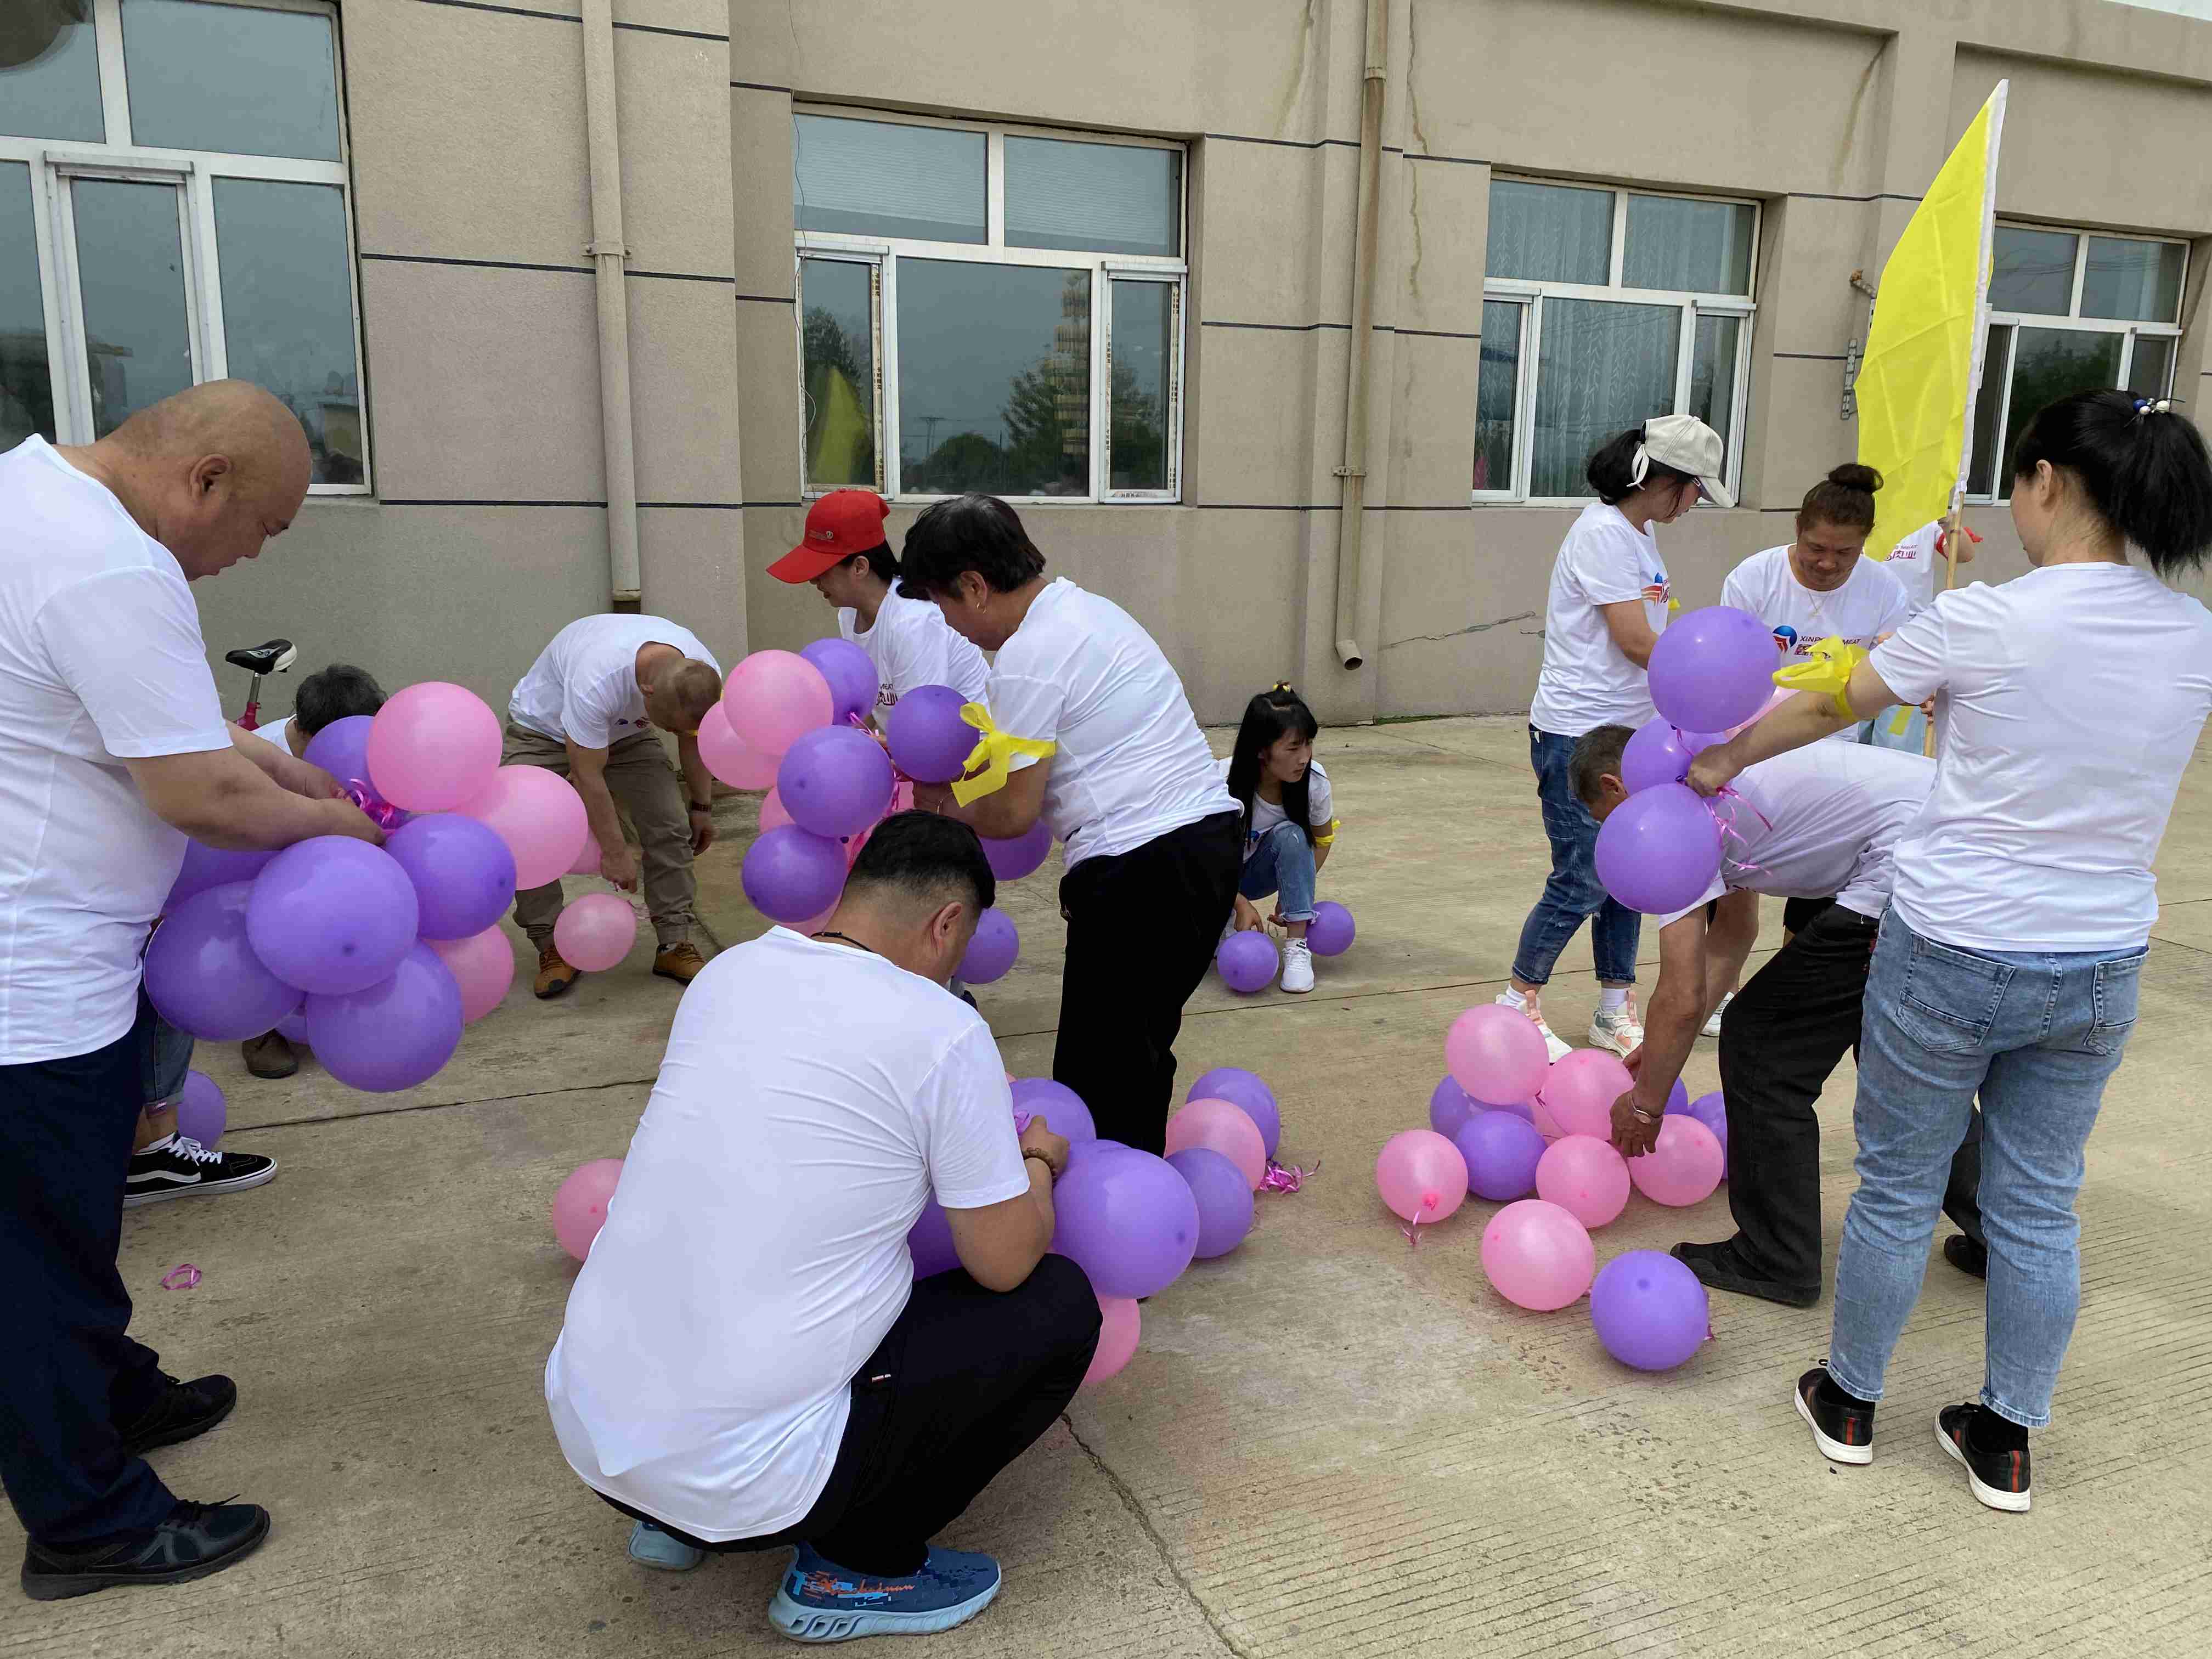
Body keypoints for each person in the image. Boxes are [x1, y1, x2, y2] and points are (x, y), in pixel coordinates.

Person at [1689, 390, 2212, 1514]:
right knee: (2037, 1208)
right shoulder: (2192, 632)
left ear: (2046, 483)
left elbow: (1831, 702)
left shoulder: (1985, 618)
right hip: (2100, 962)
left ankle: (1850, 1403)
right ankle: (2005, 1439)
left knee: (1895, 1188)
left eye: (2017, 481)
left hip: (1953, 948)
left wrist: (1725, 759)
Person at [1, 380, 383, 1600]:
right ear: (206, 479)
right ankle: (88, 1521)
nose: (250, 554)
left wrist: (276, 763)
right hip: (30, 980)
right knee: (35, 1255)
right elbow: (198, 794)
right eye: (262, 527)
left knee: (69, 1222)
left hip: (56, 957)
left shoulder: (28, 496)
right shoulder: (113, 562)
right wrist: (341, 833)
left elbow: (155, 720)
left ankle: (109, 1392)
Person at [545, 812, 1098, 1643]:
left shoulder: (730, 974)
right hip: (747, 1488)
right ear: (947, 923)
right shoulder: (943, 1030)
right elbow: (1005, 1263)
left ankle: (669, 1521)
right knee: (1059, 1305)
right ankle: (856, 1567)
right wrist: (1039, 1162)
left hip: (595, 1439)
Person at [1572, 725, 1982, 1306]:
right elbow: (1733, 935)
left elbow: (1681, 994)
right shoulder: (1708, 776)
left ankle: (1777, 1257)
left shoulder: (1665, 824)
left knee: (1761, 1047)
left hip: (1907, 871)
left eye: (1604, 820)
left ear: (1616, 785)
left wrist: (1645, 1104)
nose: (1614, 837)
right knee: (1899, 1059)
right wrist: (1666, 1048)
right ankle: (2001, 1234)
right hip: (1963, 841)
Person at [896, 495, 1240, 1155]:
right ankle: (1140, 1185)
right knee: (1139, 1050)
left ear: (975, 586)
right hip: (1204, 847)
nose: (950, 625)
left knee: (1098, 1077)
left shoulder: (1031, 655)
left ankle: (1114, 1204)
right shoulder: (1089, 612)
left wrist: (939, 803)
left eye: (943, 604)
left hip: (1143, 866)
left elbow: (1014, 811)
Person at [1503, 414, 1730, 1063]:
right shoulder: (1603, 534)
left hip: (1631, 734)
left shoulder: (1638, 533)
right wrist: (1704, 678)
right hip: (1579, 734)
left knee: (1633, 873)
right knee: (1582, 877)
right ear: (1664, 479)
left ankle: (1612, 1007)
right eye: (1696, 489)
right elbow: (1634, 640)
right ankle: (1517, 1001)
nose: (1696, 504)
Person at [505, 616, 724, 997]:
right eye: (669, 727)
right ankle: (552, 946)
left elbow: (694, 738)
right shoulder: (597, 679)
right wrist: (615, 852)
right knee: (526, 832)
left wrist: (702, 808)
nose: (675, 734)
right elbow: (587, 775)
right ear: (647, 691)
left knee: (671, 824)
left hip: (625, 733)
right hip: (544, 729)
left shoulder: (701, 675)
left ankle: (674, 943)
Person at [233, 662, 389, 1078]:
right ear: (302, 730)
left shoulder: (377, 746)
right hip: (271, 870)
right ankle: (261, 1027)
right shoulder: (257, 759)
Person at [768, 488, 990, 714]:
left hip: (969, 735)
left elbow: (922, 723)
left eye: (821, 570)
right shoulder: (849, 614)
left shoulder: (912, 622)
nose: (813, 580)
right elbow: (869, 708)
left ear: (860, 567)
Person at [1219, 685, 1336, 995]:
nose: (1304, 758)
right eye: (1293, 748)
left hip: (1258, 873)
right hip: (1213, 877)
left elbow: (1323, 840)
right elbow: (1199, 858)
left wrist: (1296, 890)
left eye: (1309, 744)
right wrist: (1238, 902)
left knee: (1292, 834)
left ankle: (1297, 948)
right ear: (1261, 749)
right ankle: (1222, 918)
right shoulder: (1221, 783)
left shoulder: (1314, 781)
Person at [1865, 518, 1980, 754]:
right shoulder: (1861, 514)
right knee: (1851, 736)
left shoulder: (1927, 522)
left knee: (1897, 743)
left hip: (1908, 644)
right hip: (1862, 638)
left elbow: (1963, 554)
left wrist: (1948, 520)